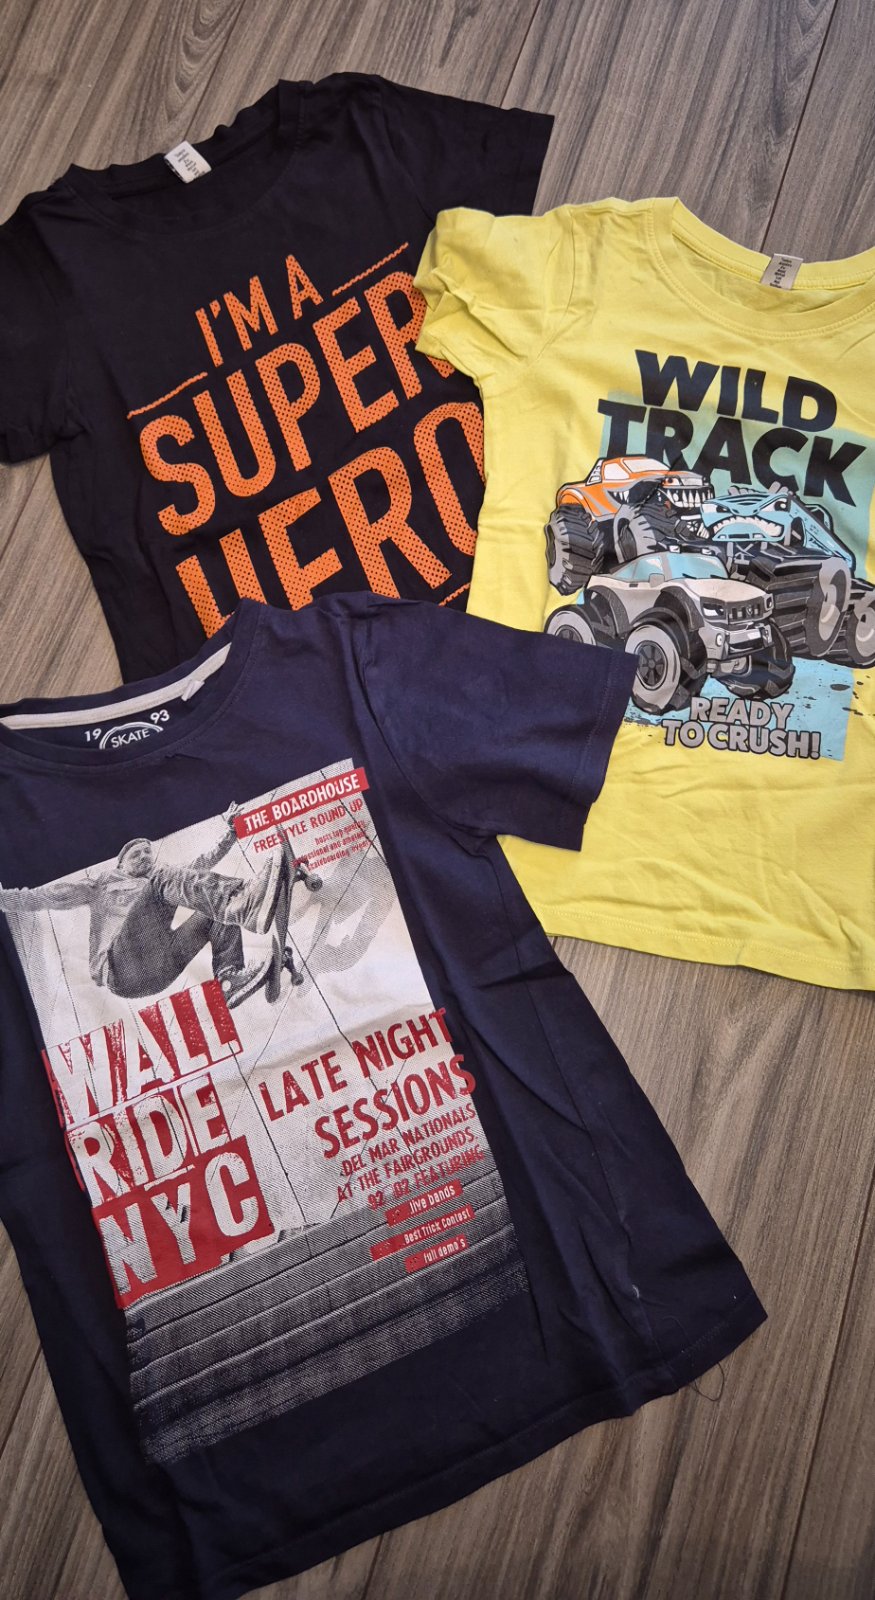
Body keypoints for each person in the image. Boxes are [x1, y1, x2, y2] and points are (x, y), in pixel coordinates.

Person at [0, 805, 313, 1008]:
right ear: (121, 864)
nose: (144, 858)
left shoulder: (161, 883)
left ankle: (230, 978)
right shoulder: (100, 886)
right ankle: (247, 904)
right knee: (169, 880)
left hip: (159, 971)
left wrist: (230, 834)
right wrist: (5, 898)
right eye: (137, 855)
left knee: (210, 910)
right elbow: (47, 896)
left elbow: (201, 867)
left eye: (147, 853)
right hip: (121, 969)